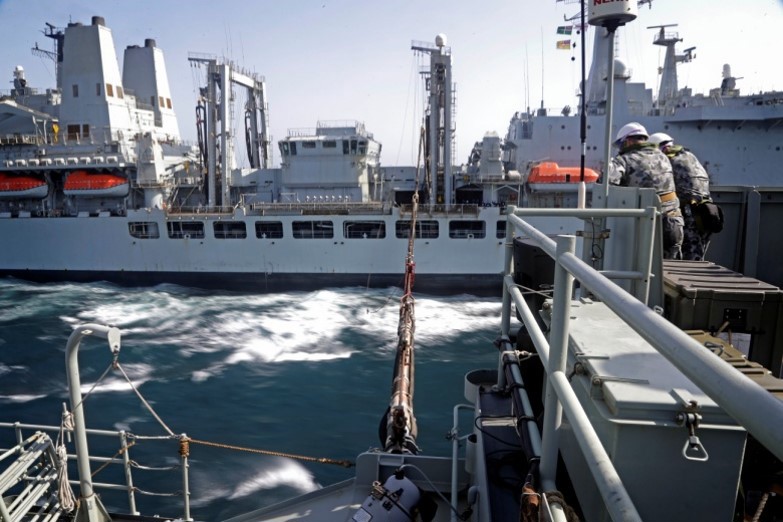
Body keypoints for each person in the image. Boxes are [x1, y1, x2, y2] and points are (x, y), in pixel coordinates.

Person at [608, 122, 684, 259]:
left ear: (628, 141)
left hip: (644, 227)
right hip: (673, 224)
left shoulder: (623, 160)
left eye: (620, 144)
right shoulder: (664, 157)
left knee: (640, 273)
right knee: (671, 272)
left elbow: (604, 185)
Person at [649, 132, 717, 260]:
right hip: (708, 211)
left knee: (688, 259)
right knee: (699, 254)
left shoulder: (669, 160)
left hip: (690, 214)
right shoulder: (690, 156)